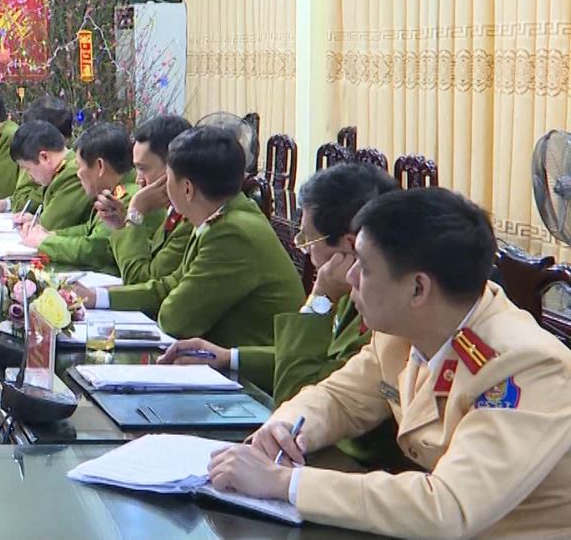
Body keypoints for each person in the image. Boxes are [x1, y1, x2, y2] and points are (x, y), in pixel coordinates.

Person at [207, 189, 571, 538]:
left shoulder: (528, 366)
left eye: (364, 267)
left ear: (418, 289)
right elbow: (339, 398)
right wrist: (286, 427)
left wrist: (285, 482)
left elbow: (447, 507)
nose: (349, 277)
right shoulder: (405, 330)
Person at [161, 164, 405, 466]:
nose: (304, 252)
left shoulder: (381, 308)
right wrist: (229, 357)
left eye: (308, 240)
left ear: (349, 245)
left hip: (355, 463)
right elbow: (321, 364)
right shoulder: (351, 288)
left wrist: (321, 296)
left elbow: (295, 389)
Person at [71, 125, 303, 347]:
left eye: (168, 176)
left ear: (187, 189)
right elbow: (167, 287)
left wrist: (134, 214)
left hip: (249, 368)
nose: (142, 181)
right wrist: (96, 297)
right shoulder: (221, 217)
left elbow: (175, 319)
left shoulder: (231, 233)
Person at [92, 115, 193, 284]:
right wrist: (121, 226)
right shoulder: (173, 210)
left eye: (143, 169)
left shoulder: (192, 217)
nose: (139, 180)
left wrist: (135, 214)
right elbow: (151, 258)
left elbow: (141, 279)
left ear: (173, 168)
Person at [28, 123, 138, 272]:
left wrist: (46, 243)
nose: (78, 174)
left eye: (80, 167)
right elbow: (89, 229)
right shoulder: (113, 191)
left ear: (100, 166)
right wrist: (53, 234)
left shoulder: (128, 198)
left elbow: (98, 250)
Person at [10, 120, 92, 231]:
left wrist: (37, 223)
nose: (29, 176)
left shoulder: (72, 174)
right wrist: (34, 219)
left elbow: (50, 226)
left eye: (28, 169)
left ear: (44, 157)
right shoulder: (63, 171)